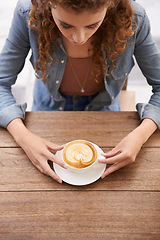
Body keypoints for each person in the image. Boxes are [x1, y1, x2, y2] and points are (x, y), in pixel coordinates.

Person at [0, 0, 160, 184]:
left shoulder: (134, 18)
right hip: (47, 113)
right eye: (65, 25)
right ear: (48, 5)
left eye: (92, 25)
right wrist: (23, 136)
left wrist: (140, 136)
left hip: (106, 116)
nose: (79, 38)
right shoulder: (28, 13)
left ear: (111, 6)